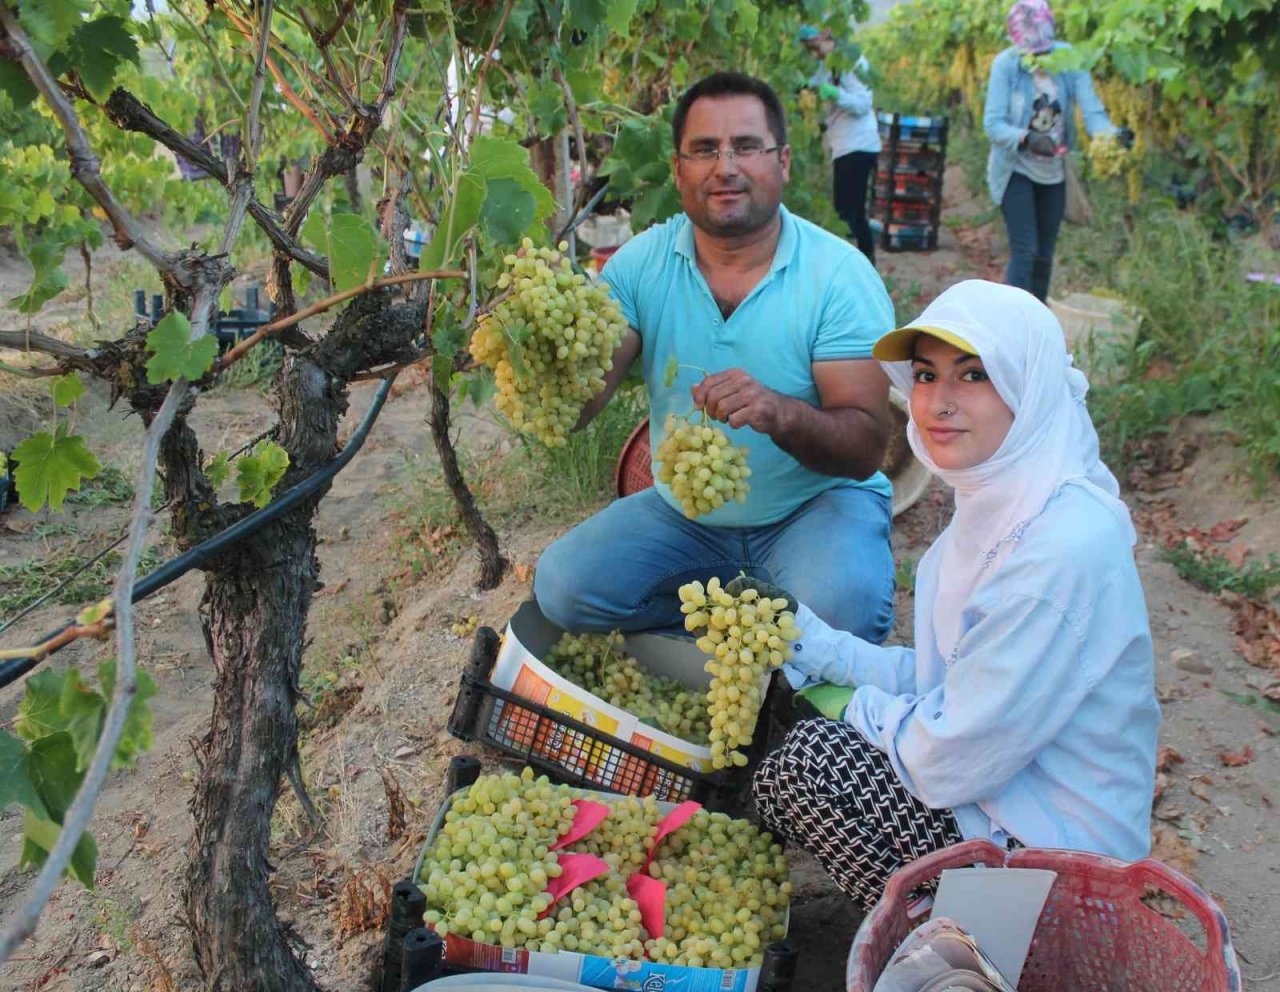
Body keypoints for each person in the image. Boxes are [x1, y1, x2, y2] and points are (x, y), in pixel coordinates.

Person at [750, 279, 1160, 912]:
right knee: (796, 759)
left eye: (973, 375)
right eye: (924, 375)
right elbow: (949, 677)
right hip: (1002, 801)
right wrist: (806, 637)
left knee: (811, 768)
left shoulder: (1059, 550)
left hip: (1057, 867)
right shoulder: (1004, 504)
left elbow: (947, 758)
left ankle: (985, 958)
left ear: (1029, 386)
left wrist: (848, 708)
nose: (938, 403)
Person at [534, 71, 897, 643]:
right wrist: (534, 348)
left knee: (844, 606)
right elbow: (578, 406)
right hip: (689, 517)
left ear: (783, 162)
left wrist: (779, 412)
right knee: (563, 588)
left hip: (815, 506)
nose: (725, 166)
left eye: (746, 147)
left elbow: (865, 450)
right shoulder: (636, 266)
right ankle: (752, 622)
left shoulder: (839, 276)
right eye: (704, 150)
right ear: (678, 171)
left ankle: (757, 615)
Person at [984, 0, 1123, 302]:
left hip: (1054, 171)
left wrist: (1112, 136)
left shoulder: (1070, 61)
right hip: (1015, 169)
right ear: (1018, 43)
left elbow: (1092, 111)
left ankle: (1038, 323)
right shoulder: (1006, 66)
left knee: (1045, 255)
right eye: (1033, 54)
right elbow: (993, 125)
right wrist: (1027, 138)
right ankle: (1014, 326)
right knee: (1026, 250)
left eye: (1045, 52)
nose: (1040, 58)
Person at [799, 25, 882, 264]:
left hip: (857, 145)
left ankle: (852, 269)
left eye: (815, 47)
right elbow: (816, 86)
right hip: (845, 145)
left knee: (846, 215)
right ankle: (867, 265)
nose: (815, 54)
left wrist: (835, 94)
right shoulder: (829, 65)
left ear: (826, 34)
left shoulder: (852, 61)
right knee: (854, 214)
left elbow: (863, 103)